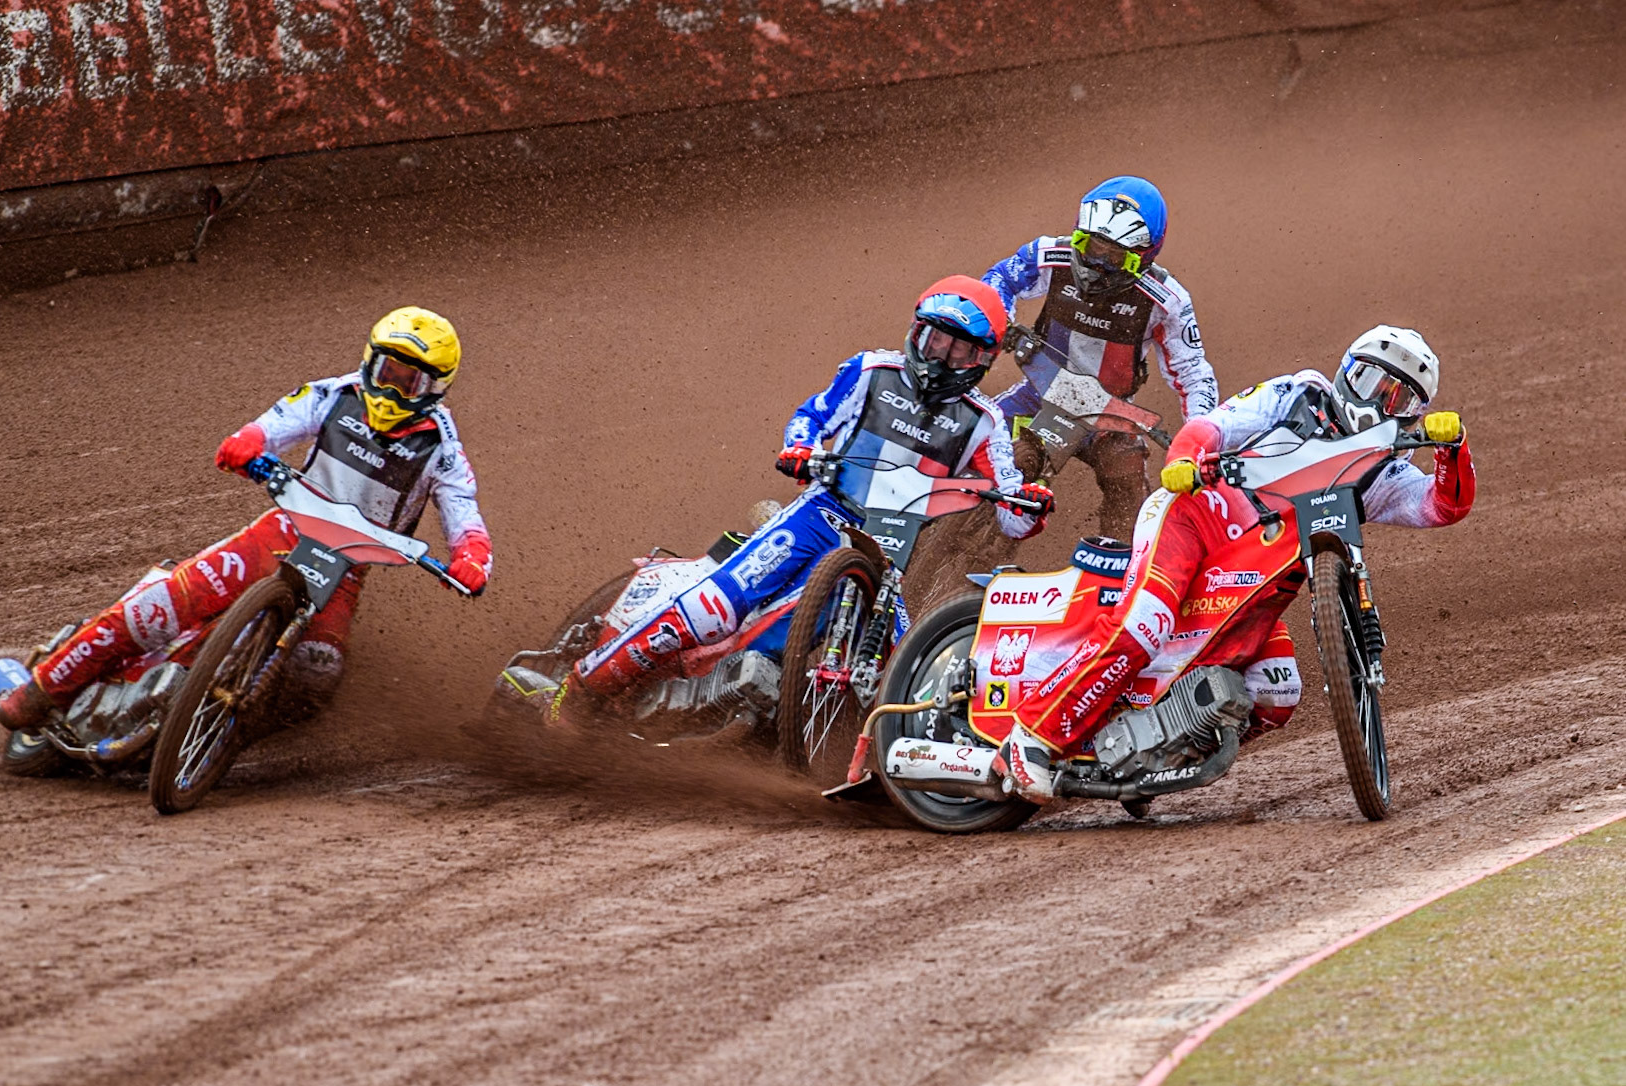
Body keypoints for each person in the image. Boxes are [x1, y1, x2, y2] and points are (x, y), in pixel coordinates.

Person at [997, 325, 1476, 802]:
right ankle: (1031, 740)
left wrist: (1454, 450)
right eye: (1375, 384)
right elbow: (1215, 426)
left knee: (1278, 690)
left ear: (1416, 415)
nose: (1379, 406)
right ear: (1349, 373)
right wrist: (1185, 458)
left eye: (1399, 400)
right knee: (1145, 623)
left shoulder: (1384, 473)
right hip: (1194, 521)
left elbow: (1442, 506)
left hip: (1254, 585)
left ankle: (1153, 760)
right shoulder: (1299, 393)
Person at [540, 276, 1056, 710]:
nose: (940, 356)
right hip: (818, 517)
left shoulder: (985, 424)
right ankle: (576, 695)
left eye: (958, 347)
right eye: (933, 340)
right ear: (915, 333)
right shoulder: (871, 371)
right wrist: (800, 449)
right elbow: (811, 417)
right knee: (707, 609)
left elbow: (1011, 509)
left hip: (887, 559)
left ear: (982, 358)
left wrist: (1030, 506)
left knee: (910, 674)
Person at [0, 306, 492, 731]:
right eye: (387, 371)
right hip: (281, 533)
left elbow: (462, 510)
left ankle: (221, 736)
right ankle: (40, 691)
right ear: (369, 362)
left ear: (434, 386)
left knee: (319, 671)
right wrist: (247, 442)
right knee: (165, 604)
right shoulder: (333, 394)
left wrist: (471, 556)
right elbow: (275, 424)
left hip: (345, 569)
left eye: (410, 381)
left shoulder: (441, 449)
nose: (393, 389)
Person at [982, 175, 1218, 538]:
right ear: (1079, 234)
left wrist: (1199, 436)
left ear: (1145, 255)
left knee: (1131, 498)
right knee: (978, 451)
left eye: (1115, 256)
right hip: (1036, 397)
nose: (1099, 264)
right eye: (1093, 247)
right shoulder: (1050, 255)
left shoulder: (1166, 300)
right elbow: (999, 280)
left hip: (1109, 418)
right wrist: (1003, 323)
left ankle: (1117, 574)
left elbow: (1193, 373)